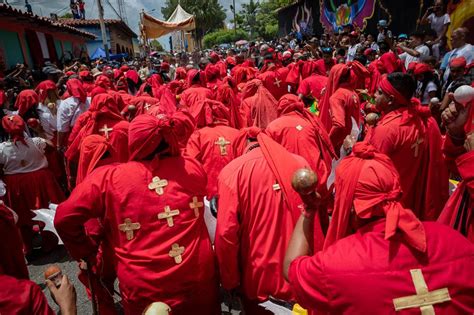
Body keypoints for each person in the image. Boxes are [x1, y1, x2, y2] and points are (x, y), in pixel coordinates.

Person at [55, 112, 219, 315]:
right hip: (197, 276)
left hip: (144, 283)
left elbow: (64, 217)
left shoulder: (109, 178)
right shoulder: (192, 167)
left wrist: (85, 250)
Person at [284, 142, 474, 314]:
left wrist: (308, 211)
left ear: (350, 206)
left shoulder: (336, 264)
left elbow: (292, 269)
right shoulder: (456, 241)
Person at [215, 128, 309, 314]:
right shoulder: (300, 163)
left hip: (258, 281)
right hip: (300, 275)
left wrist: (230, 281)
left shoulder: (233, 171)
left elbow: (226, 234)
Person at [366, 73, 448, 220]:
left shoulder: (387, 129)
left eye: (379, 92)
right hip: (411, 198)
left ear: (391, 100)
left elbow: (371, 173)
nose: (374, 95)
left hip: (388, 205)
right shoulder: (419, 119)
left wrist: (352, 147)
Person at [0, 115, 64, 255]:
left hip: (16, 184)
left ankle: (27, 246)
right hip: (39, 181)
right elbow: (52, 147)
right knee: (44, 209)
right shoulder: (36, 142)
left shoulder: (2, 149)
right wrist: (39, 130)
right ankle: (49, 241)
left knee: (21, 213)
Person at [57, 79, 90, 151]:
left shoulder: (65, 103)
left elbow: (62, 128)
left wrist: (59, 145)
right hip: (90, 131)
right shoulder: (90, 100)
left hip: (74, 134)